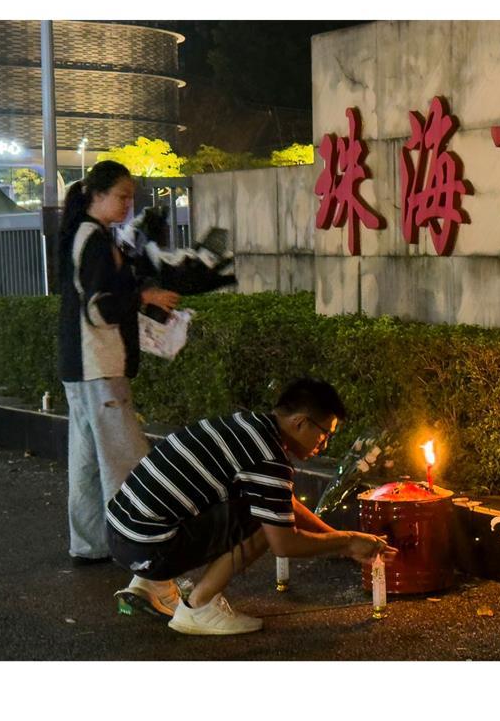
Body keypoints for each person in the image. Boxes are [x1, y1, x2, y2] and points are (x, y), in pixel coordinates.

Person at [106, 378, 397, 635]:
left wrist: (336, 537)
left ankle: (149, 585)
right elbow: (284, 543)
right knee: (262, 520)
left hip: (123, 534)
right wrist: (346, 542)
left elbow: (286, 503)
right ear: (300, 422)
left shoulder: (249, 425)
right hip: (149, 547)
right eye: (325, 435)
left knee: (265, 507)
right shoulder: (268, 455)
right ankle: (199, 607)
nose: (323, 446)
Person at [58, 160, 180, 564]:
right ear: (97, 195)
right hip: (100, 365)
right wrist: (144, 298)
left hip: (81, 367)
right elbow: (99, 309)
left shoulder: (84, 234)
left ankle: (89, 544)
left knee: (89, 461)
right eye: (122, 196)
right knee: (126, 459)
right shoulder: (94, 240)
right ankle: (141, 549)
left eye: (132, 197)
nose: (129, 205)